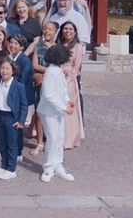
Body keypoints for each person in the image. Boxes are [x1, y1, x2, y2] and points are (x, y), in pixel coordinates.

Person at [38, 44, 76, 183]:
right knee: (53, 138)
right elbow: (49, 95)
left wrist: (68, 103)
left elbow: (62, 91)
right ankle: (48, 168)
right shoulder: (51, 71)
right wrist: (64, 108)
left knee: (59, 138)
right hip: (49, 111)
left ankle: (58, 165)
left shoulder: (57, 71)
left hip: (57, 111)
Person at [30, 21, 59, 156]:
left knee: (52, 113)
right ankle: (40, 142)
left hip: (54, 84)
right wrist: (49, 70)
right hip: (40, 83)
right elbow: (35, 65)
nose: (47, 32)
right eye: (45, 29)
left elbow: (61, 66)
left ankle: (52, 141)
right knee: (39, 113)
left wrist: (52, 72)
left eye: (50, 29)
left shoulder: (58, 48)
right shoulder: (38, 47)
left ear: (55, 32)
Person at [58, 21, 85, 149]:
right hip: (58, 76)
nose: (67, 31)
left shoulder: (78, 46)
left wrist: (68, 80)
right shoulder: (59, 44)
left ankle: (69, 139)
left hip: (70, 80)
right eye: (65, 29)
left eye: (70, 29)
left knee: (69, 107)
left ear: (74, 32)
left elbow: (76, 67)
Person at [7, 34, 34, 160]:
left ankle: (18, 152)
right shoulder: (9, 57)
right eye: (11, 42)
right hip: (9, 94)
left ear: (22, 47)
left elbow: (24, 81)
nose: (12, 45)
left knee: (18, 124)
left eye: (15, 43)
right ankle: (9, 147)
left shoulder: (25, 61)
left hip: (20, 97)